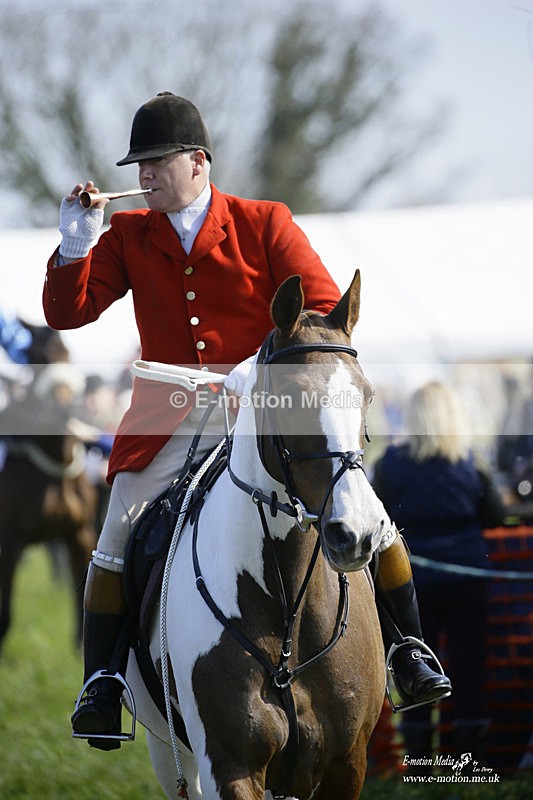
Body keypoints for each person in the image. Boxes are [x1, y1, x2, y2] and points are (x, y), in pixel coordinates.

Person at [43, 91, 450, 750]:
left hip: (265, 411)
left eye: (155, 163)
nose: (142, 177)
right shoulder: (125, 235)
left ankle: (408, 648)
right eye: (137, 166)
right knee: (116, 529)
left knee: (364, 506)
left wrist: (261, 365)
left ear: (198, 161)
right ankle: (103, 682)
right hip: (167, 417)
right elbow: (68, 315)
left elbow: (323, 309)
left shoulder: (263, 221)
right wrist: (73, 248)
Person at [372, 380, 506, 765]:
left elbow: (378, 516)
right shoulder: (472, 461)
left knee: (414, 663)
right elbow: (495, 516)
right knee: (469, 663)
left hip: (409, 582)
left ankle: (418, 759)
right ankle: (470, 757)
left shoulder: (389, 464)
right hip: (468, 575)